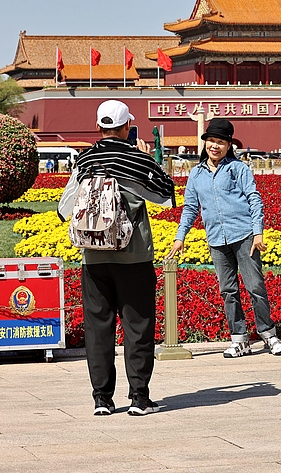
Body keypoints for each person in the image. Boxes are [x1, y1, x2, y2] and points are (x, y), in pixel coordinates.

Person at [57, 100, 176, 417]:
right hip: (133, 256)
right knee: (138, 326)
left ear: (99, 127)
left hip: (93, 256)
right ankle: (139, 397)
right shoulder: (137, 160)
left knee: (98, 328)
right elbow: (166, 197)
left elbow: (63, 210)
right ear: (126, 128)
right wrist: (149, 160)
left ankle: (102, 399)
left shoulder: (85, 160)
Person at [169, 119, 281, 359]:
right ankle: (239, 339)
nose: (215, 146)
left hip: (244, 236)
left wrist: (258, 232)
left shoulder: (238, 169)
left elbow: (254, 199)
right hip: (216, 239)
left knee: (255, 287)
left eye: (221, 142)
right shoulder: (196, 174)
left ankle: (268, 334)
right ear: (205, 143)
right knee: (228, 290)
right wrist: (180, 237)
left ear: (229, 145)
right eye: (211, 141)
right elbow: (190, 208)